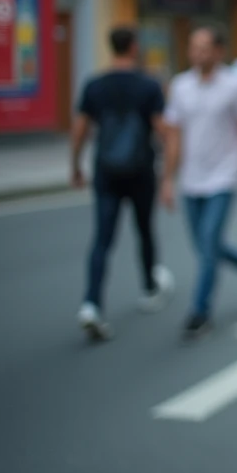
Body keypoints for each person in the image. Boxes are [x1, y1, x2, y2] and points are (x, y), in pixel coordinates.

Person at [161, 27, 237, 338]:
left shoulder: (234, 86)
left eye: (204, 47)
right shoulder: (180, 86)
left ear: (219, 52)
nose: (197, 53)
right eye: (193, 47)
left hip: (224, 176)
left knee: (209, 243)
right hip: (191, 179)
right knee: (205, 246)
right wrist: (167, 179)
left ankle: (200, 312)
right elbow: (173, 136)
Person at [70, 26, 175, 341]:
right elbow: (162, 129)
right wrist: (171, 168)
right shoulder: (148, 86)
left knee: (102, 239)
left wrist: (75, 165)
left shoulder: (95, 85)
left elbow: (80, 129)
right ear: (133, 47)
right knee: (144, 230)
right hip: (141, 170)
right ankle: (149, 288)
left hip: (106, 170)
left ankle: (91, 303)